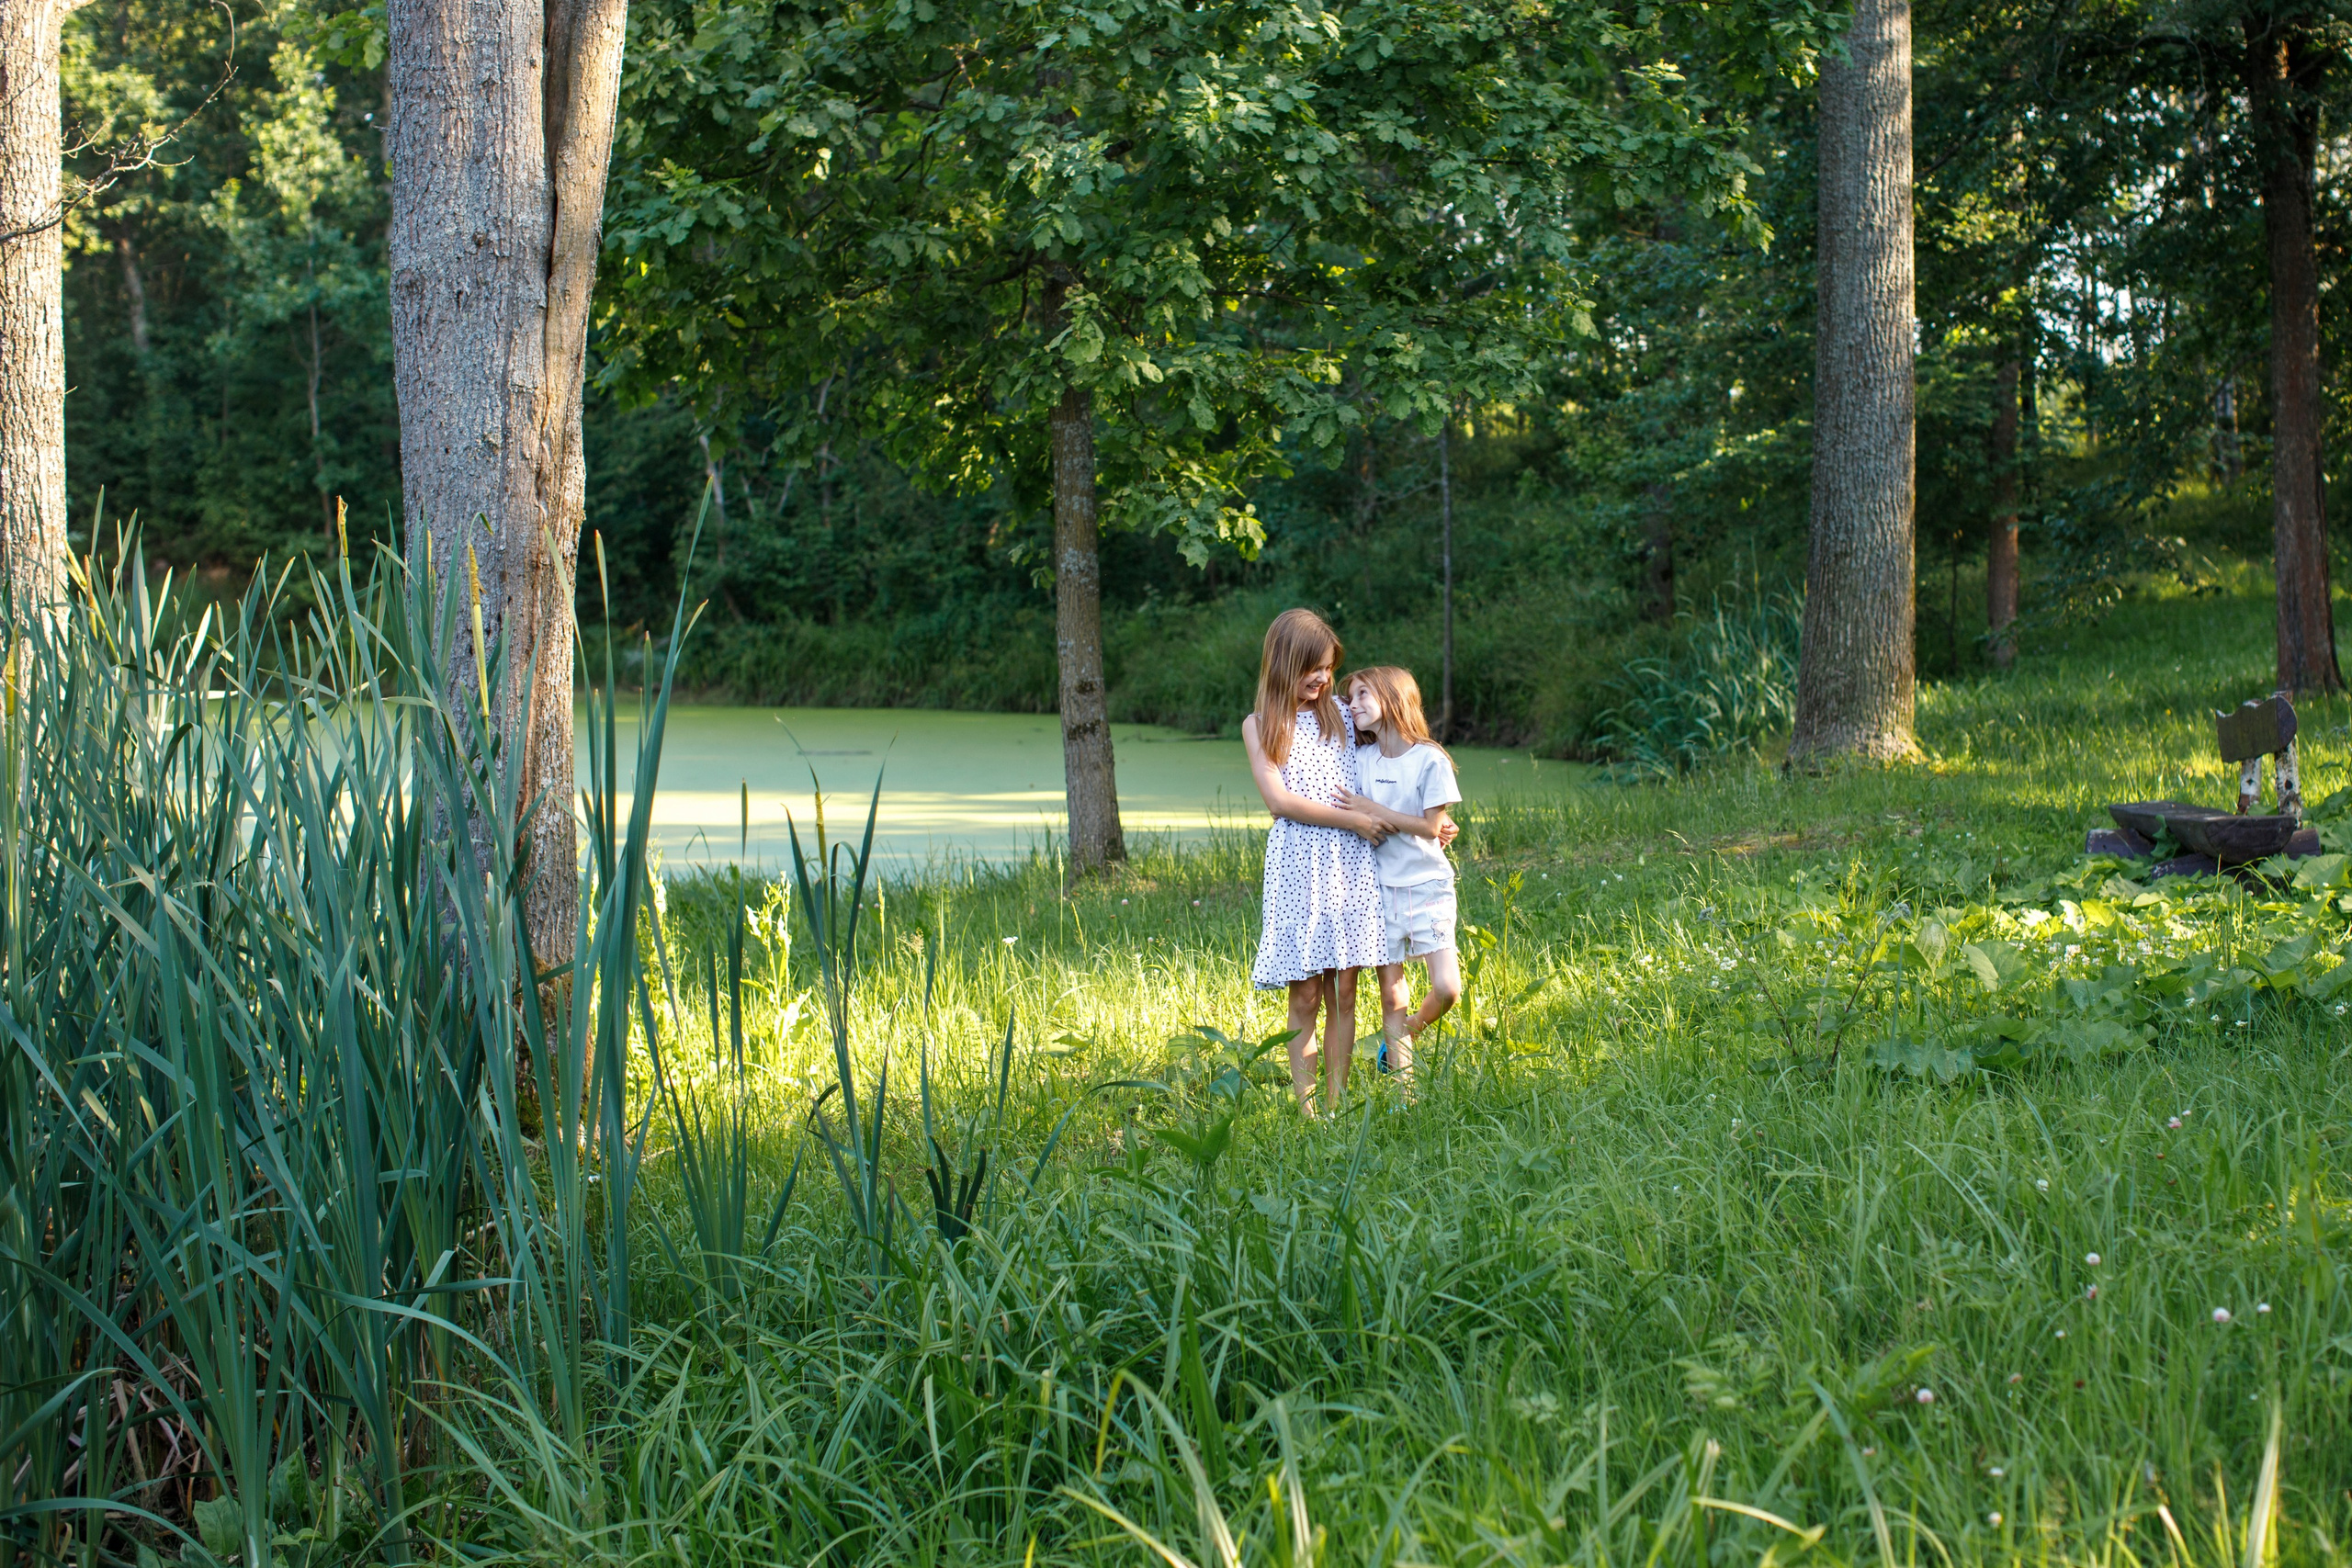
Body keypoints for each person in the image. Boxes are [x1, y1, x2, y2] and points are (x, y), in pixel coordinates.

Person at [1242, 609, 1389, 1114]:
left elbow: (1398, 753)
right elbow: (1280, 803)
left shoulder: (1344, 716)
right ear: (1285, 663)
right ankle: (1307, 1112)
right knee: (1304, 992)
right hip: (1298, 864)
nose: (1324, 679)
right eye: (1313, 669)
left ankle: (1337, 1102)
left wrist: (1427, 816)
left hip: (1349, 866)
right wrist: (1352, 821)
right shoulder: (1262, 724)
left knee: (1344, 990)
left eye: (1329, 669)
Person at [1340, 665, 1464, 1082]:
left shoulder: (1430, 758)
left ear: (1392, 699)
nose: (1352, 705)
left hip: (1428, 886)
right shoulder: (1359, 760)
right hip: (1376, 889)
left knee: (1448, 988)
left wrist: (1374, 810)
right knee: (1392, 993)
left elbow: (1431, 827)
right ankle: (1402, 1091)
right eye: (1351, 697)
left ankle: (1407, 1033)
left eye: (1362, 695)